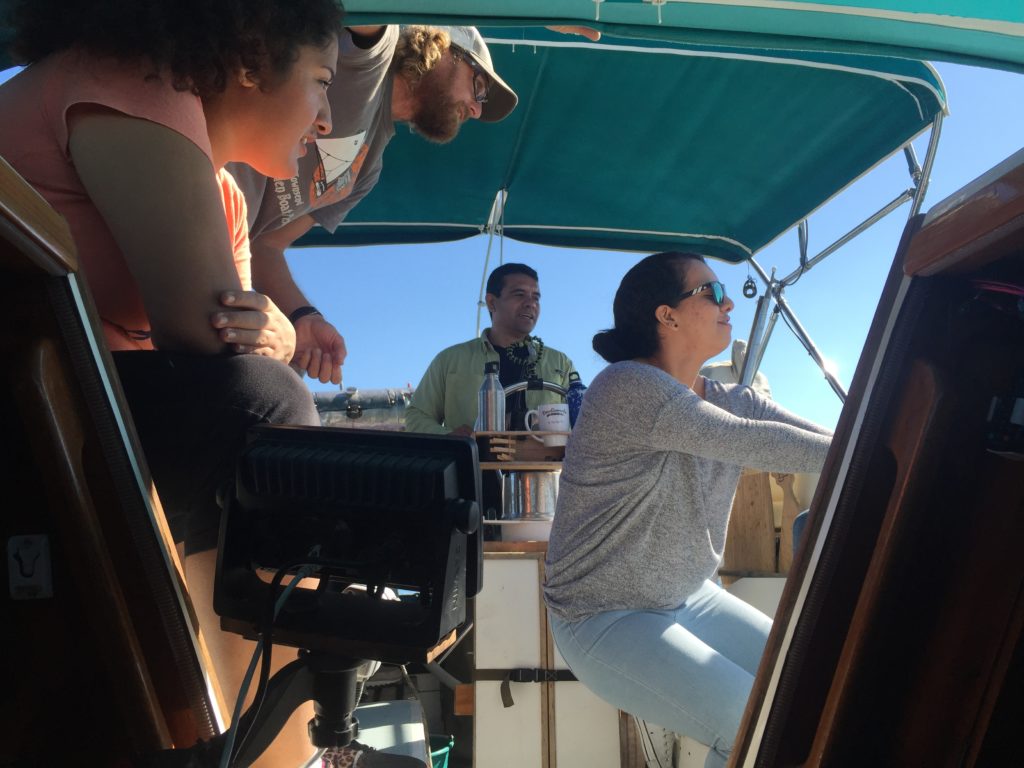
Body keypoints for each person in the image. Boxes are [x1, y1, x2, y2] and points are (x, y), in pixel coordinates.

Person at [0, 2, 361, 765]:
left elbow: (238, 333)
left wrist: (286, 331)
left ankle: (232, 723)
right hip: (30, 406)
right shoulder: (131, 81)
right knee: (265, 411)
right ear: (253, 54)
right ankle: (270, 748)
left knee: (263, 409)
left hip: (64, 411)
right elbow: (209, 329)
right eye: (322, 81)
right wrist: (280, 340)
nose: (325, 119)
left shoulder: (223, 193)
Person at [543, 251, 833, 768]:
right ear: (667, 314)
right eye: (712, 293)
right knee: (754, 722)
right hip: (604, 616)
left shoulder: (730, 397)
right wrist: (866, 451)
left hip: (687, 595)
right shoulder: (625, 386)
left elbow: (831, 437)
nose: (728, 304)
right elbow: (746, 441)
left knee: (808, 680)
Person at [228, 24, 519, 386]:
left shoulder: (368, 169)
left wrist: (304, 315)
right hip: (178, 192)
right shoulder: (371, 54)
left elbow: (265, 245)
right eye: (478, 86)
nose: (476, 110)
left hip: (213, 254)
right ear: (441, 47)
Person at [405, 262, 575, 435]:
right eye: (519, 294)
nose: (531, 303)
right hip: (473, 462)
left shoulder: (561, 363)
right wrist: (451, 437)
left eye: (536, 297)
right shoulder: (450, 360)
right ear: (492, 302)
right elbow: (416, 416)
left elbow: (583, 422)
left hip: (544, 461)